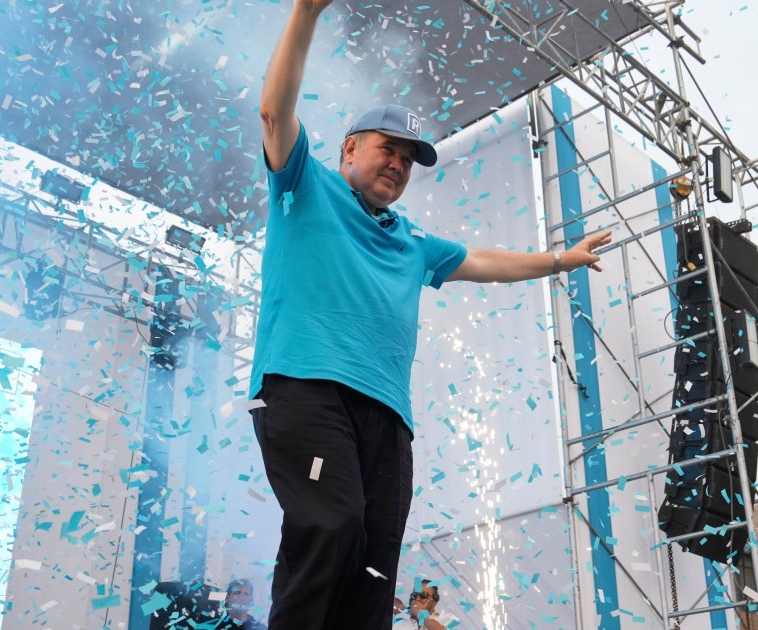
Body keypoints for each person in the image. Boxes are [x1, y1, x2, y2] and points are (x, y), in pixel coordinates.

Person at [250, 1, 612, 629]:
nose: (398, 164)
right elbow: (275, 113)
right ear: (350, 147)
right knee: (331, 522)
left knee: (374, 561)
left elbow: (486, 260)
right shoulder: (305, 184)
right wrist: (306, 12)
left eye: (409, 159)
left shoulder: (413, 241)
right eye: (388, 149)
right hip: (306, 387)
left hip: (388, 414)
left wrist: (560, 259)